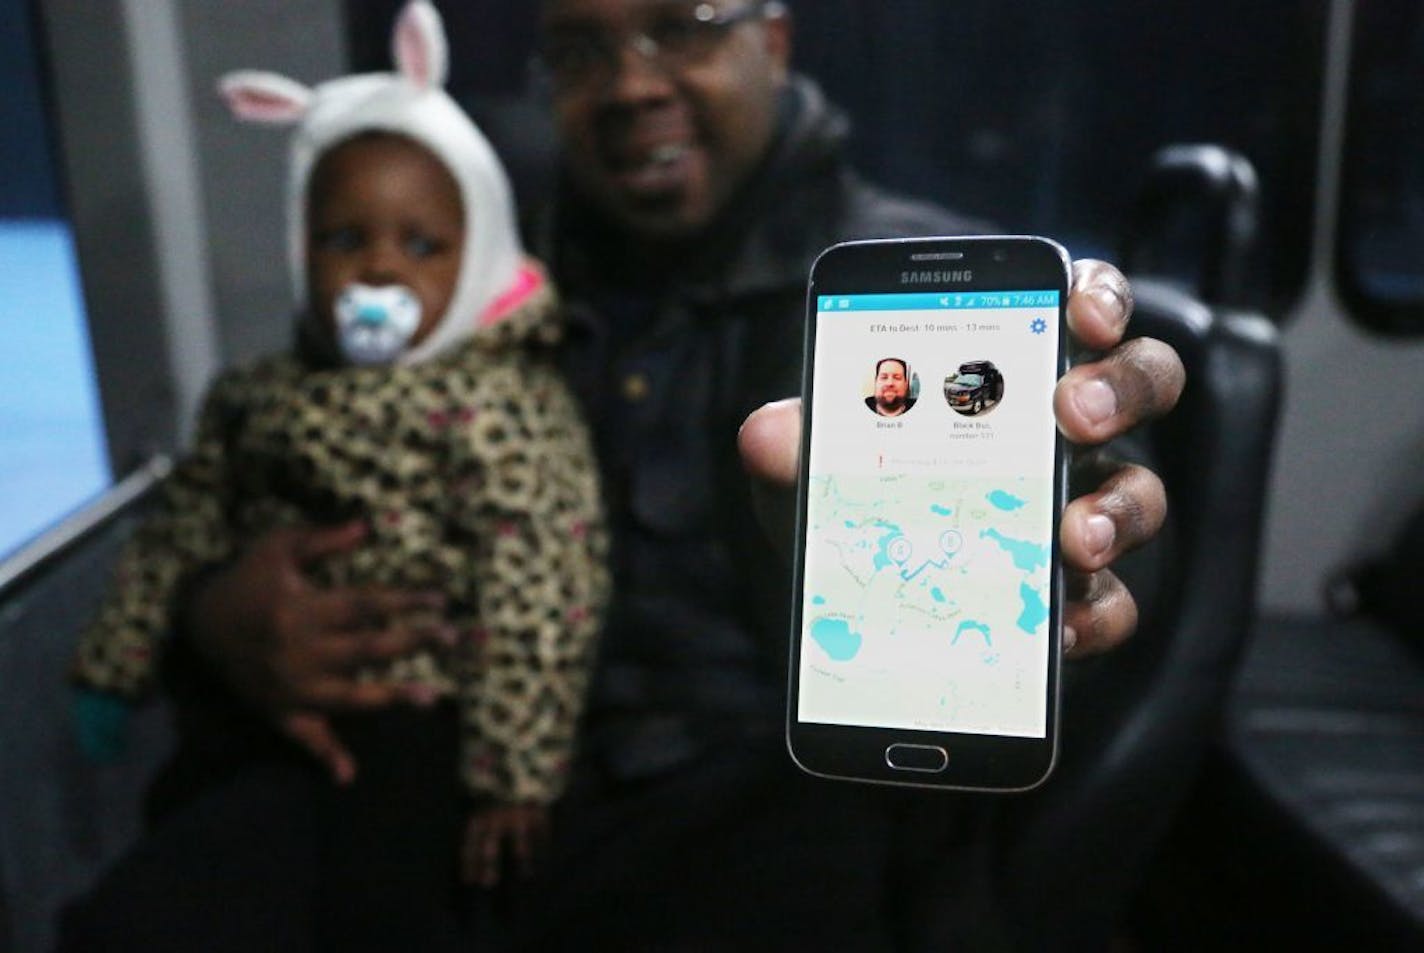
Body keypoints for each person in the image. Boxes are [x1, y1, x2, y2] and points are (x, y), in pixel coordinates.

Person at [64, 0, 1186, 950]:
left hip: (749, 801)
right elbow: (273, 468)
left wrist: (1081, 544)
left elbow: (1073, 593)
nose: (629, 85)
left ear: (775, 42)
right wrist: (217, 615)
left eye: (676, 26)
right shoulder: (453, 245)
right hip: (418, 769)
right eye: (581, 50)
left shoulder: (909, 294)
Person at [61, 3, 606, 949]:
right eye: (345, 241)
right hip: (257, 707)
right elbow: (182, 525)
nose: (379, 272)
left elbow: (541, 583)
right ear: (299, 246)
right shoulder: (257, 395)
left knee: (385, 905)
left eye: (420, 245)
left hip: (425, 718)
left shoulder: (503, 406)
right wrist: (117, 660)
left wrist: (515, 772)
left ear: (475, 250)